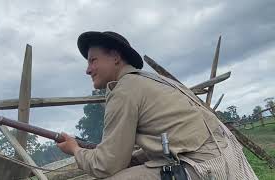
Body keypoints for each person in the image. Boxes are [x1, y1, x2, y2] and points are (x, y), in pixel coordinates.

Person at [57, 31, 258, 179]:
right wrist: (136, 158)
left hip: (208, 167)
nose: (88, 70)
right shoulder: (151, 80)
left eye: (93, 60)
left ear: (116, 57)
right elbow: (175, 139)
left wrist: (75, 149)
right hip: (226, 159)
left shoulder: (125, 89)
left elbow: (106, 165)